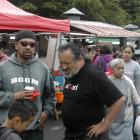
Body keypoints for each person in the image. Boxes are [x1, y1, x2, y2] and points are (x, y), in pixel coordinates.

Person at [58, 42, 125, 140]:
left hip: (88, 135)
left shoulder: (94, 75)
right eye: (61, 63)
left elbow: (119, 100)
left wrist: (104, 125)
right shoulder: (71, 72)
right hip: (70, 134)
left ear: (80, 59)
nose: (63, 67)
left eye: (67, 63)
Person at [0, 30, 56, 140]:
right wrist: (13, 96)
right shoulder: (2, 68)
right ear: (16, 45)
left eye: (32, 44)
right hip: (9, 131)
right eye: (24, 43)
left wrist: (45, 113)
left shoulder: (43, 68)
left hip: (34, 130)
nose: (28, 47)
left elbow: (50, 96)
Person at [107, 58, 140, 140]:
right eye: (118, 68)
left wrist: (138, 109)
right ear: (112, 69)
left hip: (126, 120)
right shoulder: (106, 81)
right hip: (110, 119)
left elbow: (136, 99)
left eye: (122, 68)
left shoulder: (128, 81)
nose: (121, 70)